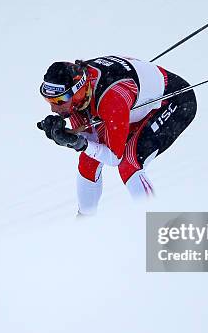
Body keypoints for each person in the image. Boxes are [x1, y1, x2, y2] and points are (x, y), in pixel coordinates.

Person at [37, 55, 197, 216]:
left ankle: (154, 224)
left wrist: (80, 143)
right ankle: (84, 224)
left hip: (174, 101)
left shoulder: (111, 99)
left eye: (59, 100)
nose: (54, 109)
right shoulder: (78, 97)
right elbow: (91, 144)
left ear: (78, 90)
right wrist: (69, 139)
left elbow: (114, 158)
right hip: (130, 107)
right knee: (88, 160)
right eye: (48, 100)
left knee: (129, 163)